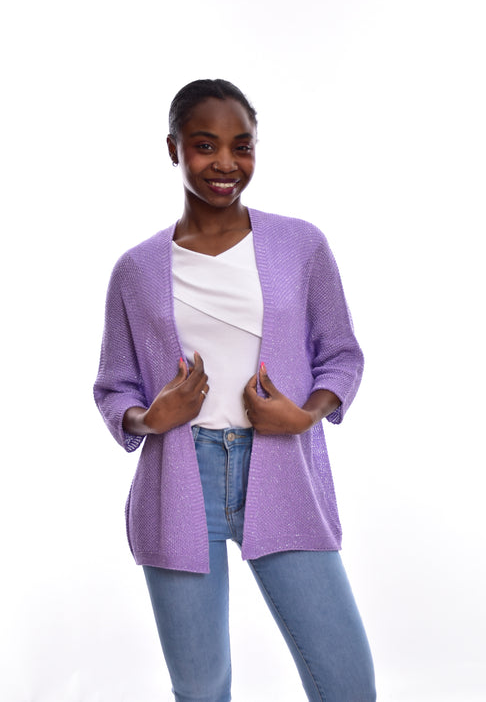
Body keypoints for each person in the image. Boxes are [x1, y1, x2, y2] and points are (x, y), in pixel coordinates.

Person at [94, 79, 376, 702]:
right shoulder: (136, 270)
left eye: (241, 146)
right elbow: (113, 387)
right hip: (180, 479)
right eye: (205, 145)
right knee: (200, 689)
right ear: (174, 149)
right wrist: (149, 417)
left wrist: (305, 416)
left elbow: (341, 356)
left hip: (281, 471)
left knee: (347, 682)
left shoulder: (301, 245)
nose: (226, 162)